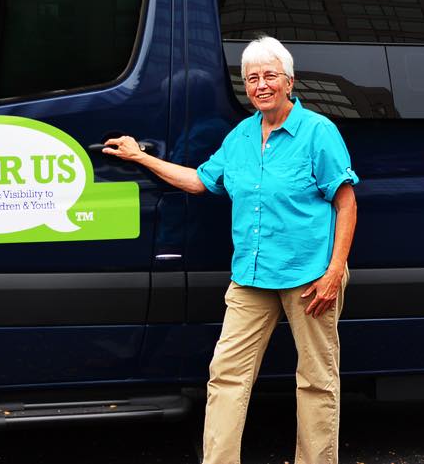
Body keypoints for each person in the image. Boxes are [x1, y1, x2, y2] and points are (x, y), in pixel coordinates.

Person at [102, 36, 358, 464]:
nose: (260, 84)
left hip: (311, 276)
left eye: (270, 76)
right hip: (252, 276)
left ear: (289, 81)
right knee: (226, 376)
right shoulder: (240, 136)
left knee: (316, 380)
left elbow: (345, 202)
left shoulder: (318, 132)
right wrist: (141, 157)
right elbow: (200, 181)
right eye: (252, 77)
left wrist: (335, 272)